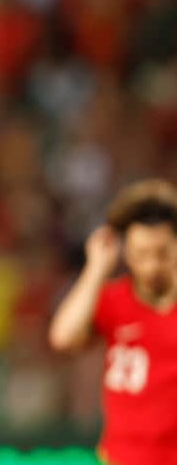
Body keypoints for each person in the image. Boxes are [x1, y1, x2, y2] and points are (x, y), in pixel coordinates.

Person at [49, 179, 177, 465]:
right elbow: (63, 337)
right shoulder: (113, 300)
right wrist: (96, 268)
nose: (152, 265)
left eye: (162, 253)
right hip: (119, 458)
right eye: (141, 254)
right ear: (126, 251)